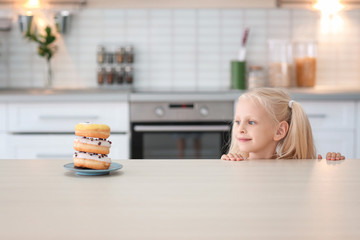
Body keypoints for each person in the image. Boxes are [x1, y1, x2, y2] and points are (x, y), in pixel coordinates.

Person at [221, 88, 345, 161]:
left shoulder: (295, 168)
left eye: (251, 122)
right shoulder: (234, 163)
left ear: (279, 131)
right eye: (237, 122)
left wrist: (332, 164)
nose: (240, 129)